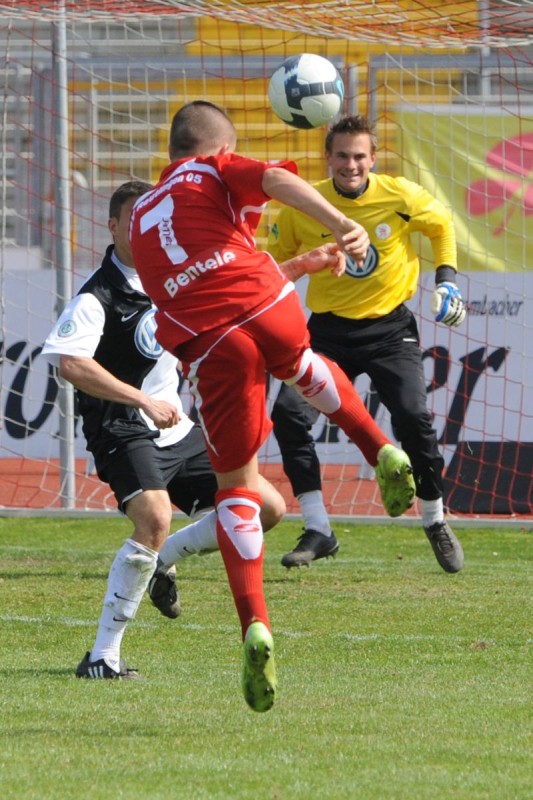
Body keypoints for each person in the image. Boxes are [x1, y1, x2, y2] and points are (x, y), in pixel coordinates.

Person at [129, 101, 416, 712]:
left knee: (238, 489)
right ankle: (378, 446)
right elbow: (277, 181)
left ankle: (254, 624)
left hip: (212, 341)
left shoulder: (140, 217)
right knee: (302, 364)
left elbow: (189, 291)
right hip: (263, 298)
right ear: (217, 146)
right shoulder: (212, 171)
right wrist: (341, 222)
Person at [41, 180, 288, 682]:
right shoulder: (98, 297)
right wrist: (142, 400)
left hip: (178, 427)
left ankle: (162, 561)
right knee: (154, 516)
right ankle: (101, 657)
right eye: (132, 219)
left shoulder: (176, 277)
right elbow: (71, 364)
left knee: (266, 509)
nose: (144, 227)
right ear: (113, 227)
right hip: (122, 428)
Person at [267, 114, 466, 574]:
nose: (350, 165)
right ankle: (318, 527)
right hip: (326, 333)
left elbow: (442, 226)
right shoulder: (302, 203)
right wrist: (309, 262)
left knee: (414, 418)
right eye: (342, 155)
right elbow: (271, 264)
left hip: (390, 331)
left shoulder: (399, 194)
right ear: (328, 158)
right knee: (290, 416)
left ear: (373, 159)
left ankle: (435, 520)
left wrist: (447, 280)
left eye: (359, 156)